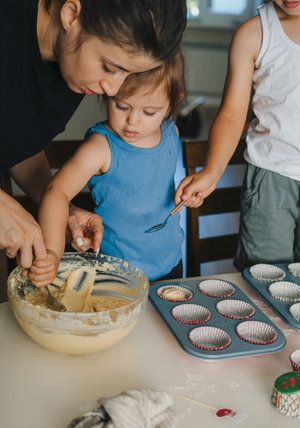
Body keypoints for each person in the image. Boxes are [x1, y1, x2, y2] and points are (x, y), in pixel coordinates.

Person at [0, 0, 187, 272]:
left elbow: (16, 139)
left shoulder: (71, 64)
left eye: (128, 73)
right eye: (110, 67)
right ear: (71, 14)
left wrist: (66, 208)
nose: (113, 89)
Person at [28, 49, 198, 286]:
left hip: (171, 265)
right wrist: (53, 253)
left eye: (149, 112)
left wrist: (189, 194)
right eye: (121, 106)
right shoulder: (101, 147)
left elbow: (155, 187)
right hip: (117, 274)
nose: (133, 121)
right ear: (108, 93)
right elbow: (56, 191)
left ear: (171, 105)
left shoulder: (172, 133)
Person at [175, 0, 300, 271]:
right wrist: (212, 170)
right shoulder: (253, 34)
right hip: (270, 176)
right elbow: (232, 115)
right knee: (265, 279)